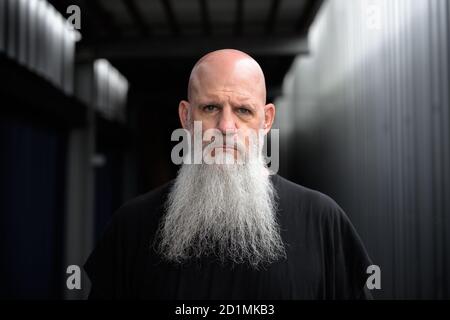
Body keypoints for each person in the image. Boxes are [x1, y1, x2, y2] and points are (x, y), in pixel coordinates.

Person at [84, 49, 373, 299]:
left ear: (266, 119)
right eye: (210, 107)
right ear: (186, 116)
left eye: (243, 111)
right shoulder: (131, 225)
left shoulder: (322, 220)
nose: (226, 127)